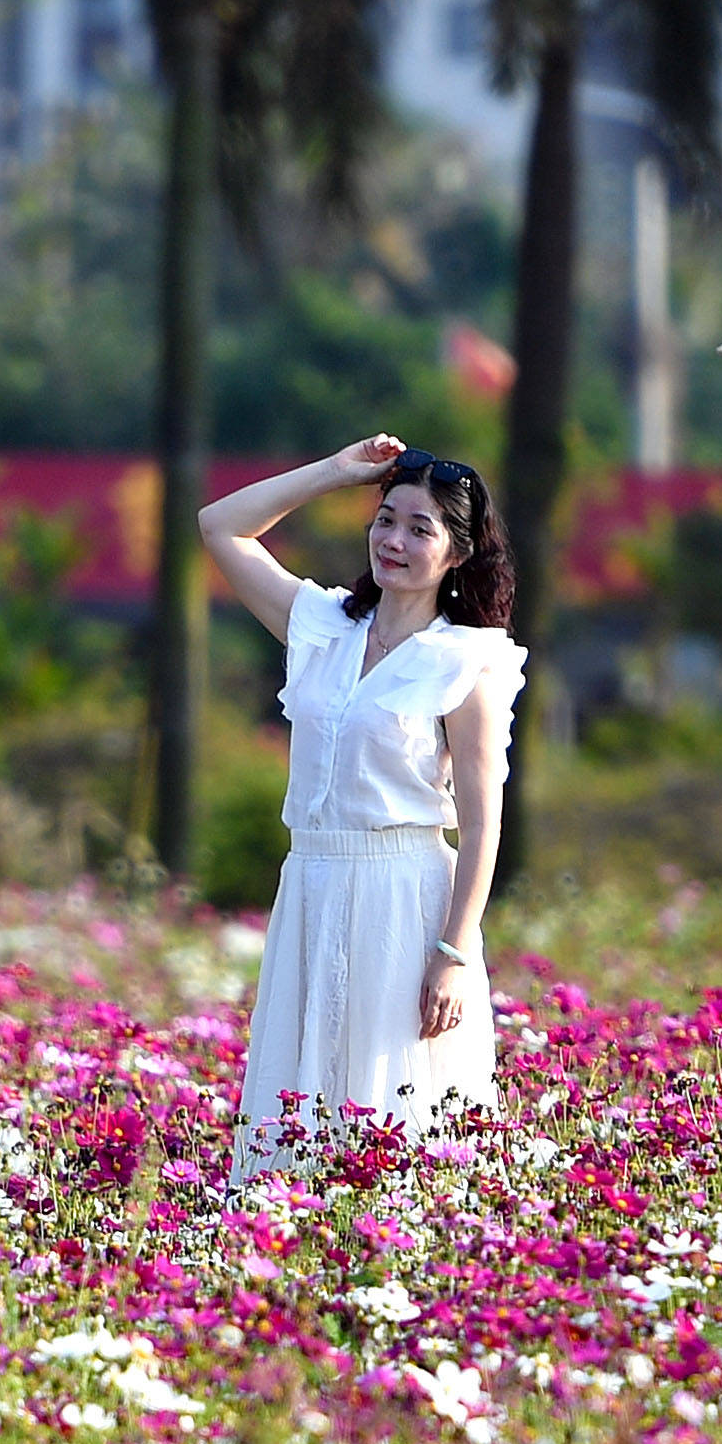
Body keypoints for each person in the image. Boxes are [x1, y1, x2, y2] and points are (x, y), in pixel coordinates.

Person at [197, 438, 528, 1169]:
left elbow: (481, 824)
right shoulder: (323, 627)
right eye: (385, 519)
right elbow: (220, 525)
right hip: (312, 884)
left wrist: (452, 953)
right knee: (301, 1093)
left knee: (390, 1101)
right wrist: (332, 474)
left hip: (401, 896)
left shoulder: (464, 661)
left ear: (457, 553)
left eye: (420, 529)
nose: (395, 541)